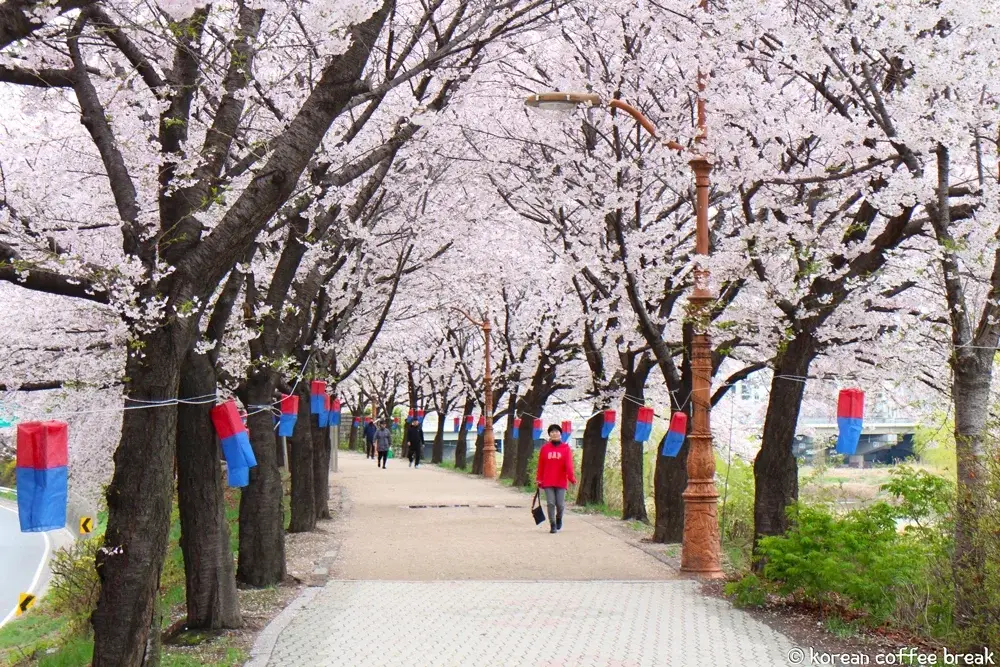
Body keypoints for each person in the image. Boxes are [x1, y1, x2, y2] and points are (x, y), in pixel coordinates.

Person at [536, 424, 577, 534]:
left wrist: (572, 478)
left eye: (557, 431)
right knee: (550, 503)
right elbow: (541, 465)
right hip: (548, 480)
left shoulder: (566, 449)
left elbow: (569, 466)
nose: (554, 433)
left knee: (560, 504)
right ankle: (553, 524)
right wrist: (539, 479)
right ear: (549, 434)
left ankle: (559, 518)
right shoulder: (544, 449)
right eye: (552, 432)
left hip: (561, 481)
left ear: (560, 434)